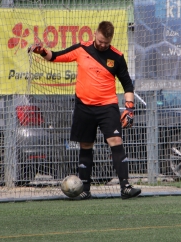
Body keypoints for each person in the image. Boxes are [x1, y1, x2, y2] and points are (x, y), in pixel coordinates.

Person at [28, 21, 141, 200]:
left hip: (107, 106)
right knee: (86, 145)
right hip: (84, 106)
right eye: (101, 40)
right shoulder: (82, 49)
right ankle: (85, 189)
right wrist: (42, 51)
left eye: (107, 42)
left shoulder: (117, 57)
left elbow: (127, 84)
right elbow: (55, 56)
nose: (103, 45)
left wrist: (129, 108)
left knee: (116, 140)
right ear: (95, 34)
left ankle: (125, 187)